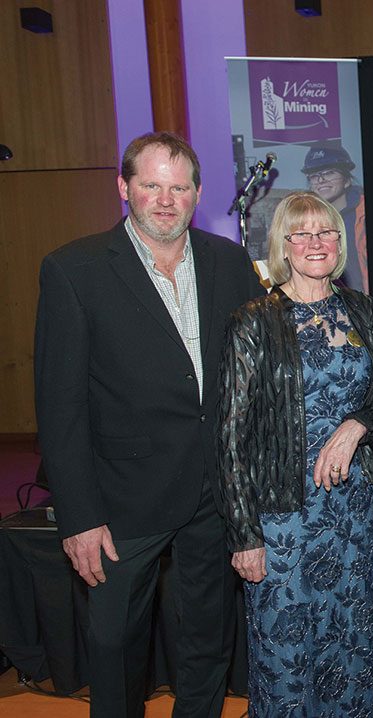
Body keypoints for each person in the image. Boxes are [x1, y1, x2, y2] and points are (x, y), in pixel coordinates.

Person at [34, 132, 264, 717]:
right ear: (124, 188)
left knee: (207, 643)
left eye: (179, 186)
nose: (165, 199)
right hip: (119, 502)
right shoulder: (73, 270)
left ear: (197, 194)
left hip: (213, 494)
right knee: (113, 647)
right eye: (151, 185)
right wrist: (80, 517)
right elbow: (60, 407)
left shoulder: (228, 261)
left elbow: (254, 371)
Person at [219, 191, 373, 717]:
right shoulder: (253, 321)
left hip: (354, 509)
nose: (316, 243)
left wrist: (356, 425)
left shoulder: (361, 309)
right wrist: (244, 535)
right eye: (301, 233)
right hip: (282, 515)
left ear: (339, 243)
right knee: (287, 644)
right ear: (283, 246)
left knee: (357, 631)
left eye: (326, 232)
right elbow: (233, 439)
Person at [302, 144, 369, 292]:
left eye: (329, 172)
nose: (321, 180)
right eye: (314, 175)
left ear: (347, 180)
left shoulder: (365, 214)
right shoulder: (304, 222)